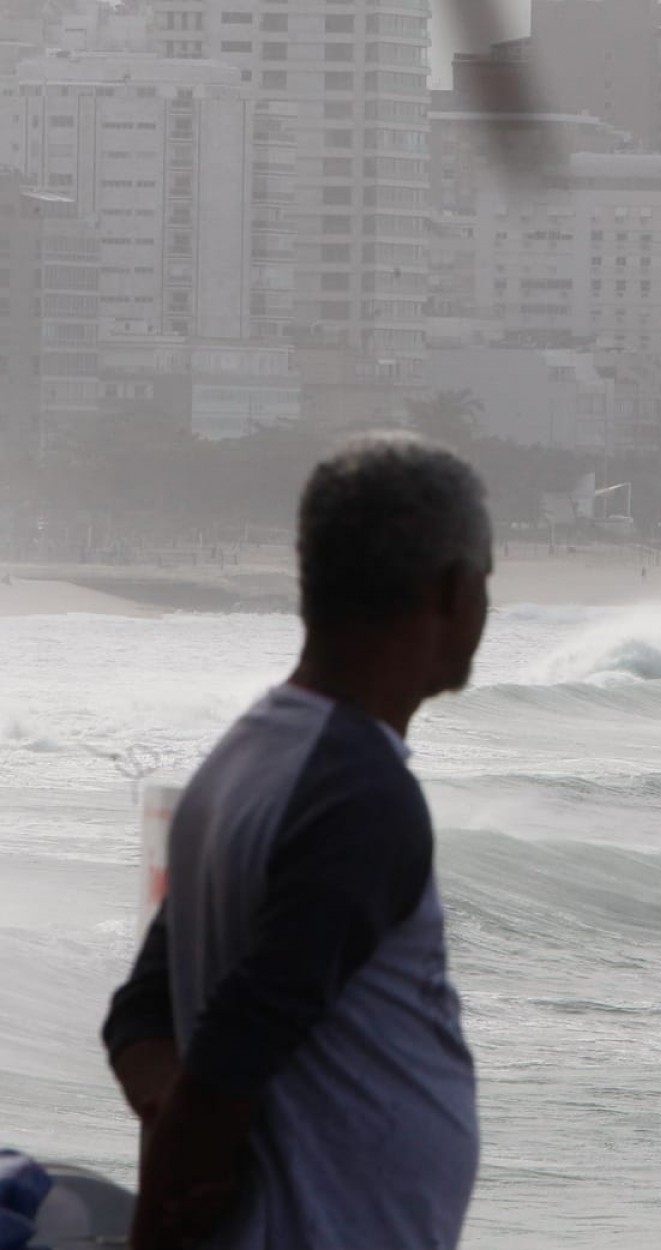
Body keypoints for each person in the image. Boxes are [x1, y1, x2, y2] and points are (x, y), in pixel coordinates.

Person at [101, 434, 493, 1250]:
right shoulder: (359, 797)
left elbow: (142, 1016)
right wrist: (180, 1183)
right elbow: (230, 1057)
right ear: (454, 590)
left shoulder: (244, 759)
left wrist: (193, 1139)